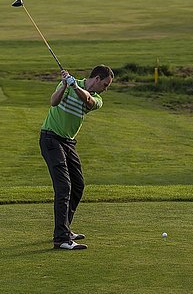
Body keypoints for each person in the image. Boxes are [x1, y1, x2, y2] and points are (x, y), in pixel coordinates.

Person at [39, 65, 114, 250]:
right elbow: (53, 102)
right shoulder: (68, 85)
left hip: (68, 142)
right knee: (64, 186)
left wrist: (73, 86)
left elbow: (87, 100)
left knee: (78, 185)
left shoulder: (97, 98)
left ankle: (65, 227)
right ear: (96, 79)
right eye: (105, 84)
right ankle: (62, 239)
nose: (105, 89)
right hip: (50, 138)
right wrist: (65, 85)